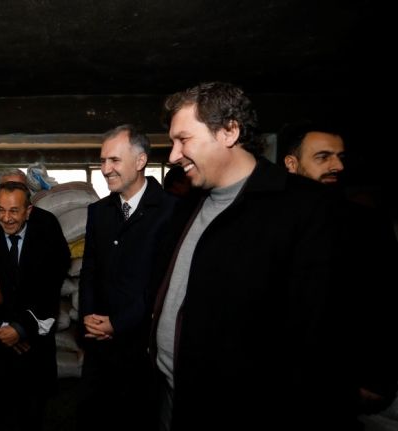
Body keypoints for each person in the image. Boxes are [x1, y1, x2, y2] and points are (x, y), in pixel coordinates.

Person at [152, 82, 355, 430]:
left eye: (183, 139)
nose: (173, 155)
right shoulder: (187, 206)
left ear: (229, 131)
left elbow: (318, 337)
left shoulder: (306, 208)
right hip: (171, 398)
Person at [279, 121, 398, 414]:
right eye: (323, 157)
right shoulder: (268, 221)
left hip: (339, 377)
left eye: (340, 157)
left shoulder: (367, 224)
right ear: (292, 164)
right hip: (275, 375)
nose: (338, 166)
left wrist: (378, 376)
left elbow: (386, 300)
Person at [77, 124, 179, 430]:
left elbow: (163, 284)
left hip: (141, 346)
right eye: (102, 160)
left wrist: (118, 324)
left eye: (114, 160)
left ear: (140, 160)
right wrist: (88, 315)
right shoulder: (98, 211)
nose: (105, 169)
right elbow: (89, 269)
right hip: (99, 345)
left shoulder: (171, 211)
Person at [0, 180, 70, 430]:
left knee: (30, 415)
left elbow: (50, 291)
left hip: (34, 348)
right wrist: (0, 330)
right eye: (1, 210)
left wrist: (21, 329)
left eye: (14, 211)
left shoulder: (45, 232)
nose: (6, 218)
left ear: (28, 211)